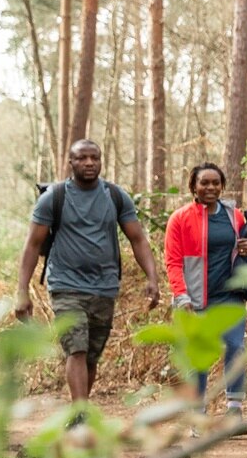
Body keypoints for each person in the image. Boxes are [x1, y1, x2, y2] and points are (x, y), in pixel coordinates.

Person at [14, 139, 163, 408]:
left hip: (105, 286)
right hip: (65, 285)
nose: (89, 163)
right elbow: (32, 245)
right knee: (77, 348)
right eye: (82, 158)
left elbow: (138, 239)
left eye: (94, 158)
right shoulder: (54, 198)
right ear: (71, 162)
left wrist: (152, 278)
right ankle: (80, 414)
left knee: (92, 355)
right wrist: (22, 291)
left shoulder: (115, 196)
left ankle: (78, 411)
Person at [162, 163, 247, 427]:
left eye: (215, 182)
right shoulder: (179, 218)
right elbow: (173, 262)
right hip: (195, 300)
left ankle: (234, 411)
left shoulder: (234, 216)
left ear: (222, 186)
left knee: (236, 347)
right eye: (204, 182)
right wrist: (181, 296)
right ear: (193, 186)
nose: (210, 187)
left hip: (230, 296)